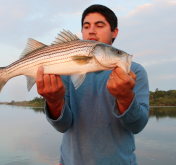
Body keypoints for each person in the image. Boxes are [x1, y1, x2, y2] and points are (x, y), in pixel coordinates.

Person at [36, 4, 149, 165]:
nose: (91, 31)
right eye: (86, 26)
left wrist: (126, 98)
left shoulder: (135, 71)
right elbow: (63, 125)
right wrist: (54, 102)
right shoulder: (66, 72)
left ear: (114, 32)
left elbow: (137, 126)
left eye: (100, 25)